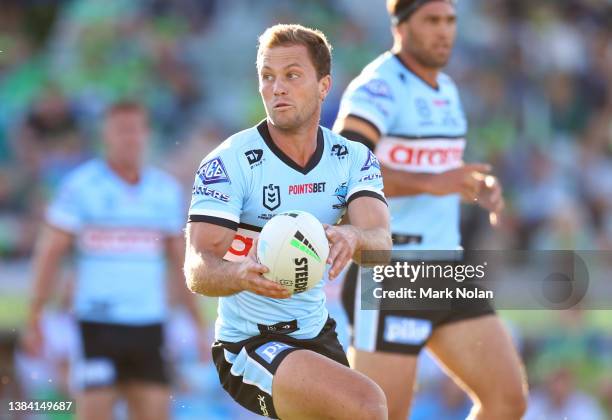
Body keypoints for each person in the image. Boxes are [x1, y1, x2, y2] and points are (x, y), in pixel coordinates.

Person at [184, 24, 391, 419]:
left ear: (324, 85)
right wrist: (239, 274)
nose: (277, 87)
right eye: (267, 76)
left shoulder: (352, 158)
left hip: (316, 334)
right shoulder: (229, 162)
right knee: (367, 405)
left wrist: (354, 235)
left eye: (292, 75)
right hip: (248, 344)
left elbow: (380, 245)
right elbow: (198, 269)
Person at [333, 1, 527, 419]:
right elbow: (342, 165)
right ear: (400, 26)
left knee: (507, 400)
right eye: (432, 21)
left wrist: (471, 186)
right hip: (393, 270)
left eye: (450, 21)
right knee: (380, 414)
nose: (444, 31)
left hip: (446, 266)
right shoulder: (379, 86)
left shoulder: (448, 90)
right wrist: (432, 182)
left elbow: (437, 172)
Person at [22, 101, 206, 420]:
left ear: (147, 135)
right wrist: (36, 314)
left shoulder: (164, 192)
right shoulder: (81, 188)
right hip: (97, 325)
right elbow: (49, 253)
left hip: (149, 326)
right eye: (121, 130)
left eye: (135, 130)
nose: (129, 138)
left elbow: (183, 264)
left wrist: (198, 324)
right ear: (105, 135)